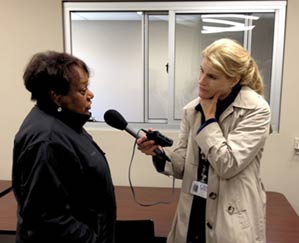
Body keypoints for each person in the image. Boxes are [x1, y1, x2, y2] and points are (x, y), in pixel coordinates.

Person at [137, 38, 271, 243]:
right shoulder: (192, 110)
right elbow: (182, 165)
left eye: (212, 76)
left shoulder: (256, 110)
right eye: (201, 71)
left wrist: (209, 120)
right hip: (193, 211)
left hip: (230, 219)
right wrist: (157, 153)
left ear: (233, 80)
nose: (201, 80)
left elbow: (228, 164)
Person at [12, 51, 116, 243]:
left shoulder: (64, 122)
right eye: (82, 90)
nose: (90, 95)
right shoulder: (47, 140)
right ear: (57, 97)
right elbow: (47, 219)